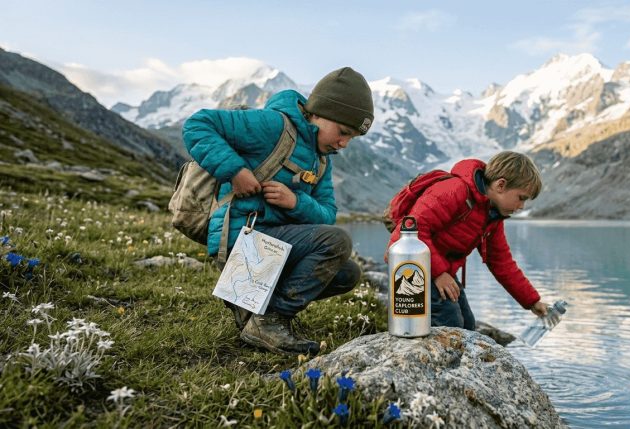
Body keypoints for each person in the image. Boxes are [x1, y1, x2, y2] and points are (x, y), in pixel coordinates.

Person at [182, 67, 375, 355]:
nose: (343, 143)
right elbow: (198, 124)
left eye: (351, 138)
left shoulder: (322, 160)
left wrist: (296, 202)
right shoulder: (273, 126)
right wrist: (235, 170)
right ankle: (268, 320)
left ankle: (253, 308)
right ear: (320, 113)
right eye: (343, 132)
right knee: (337, 242)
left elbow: (327, 214)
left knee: (347, 273)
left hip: (270, 247)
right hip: (241, 239)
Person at [385, 151, 549, 330]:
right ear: (501, 185)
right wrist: (439, 273)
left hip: (437, 268)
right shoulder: (453, 190)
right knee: (450, 323)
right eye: (521, 198)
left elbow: (502, 263)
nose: (522, 206)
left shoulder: (491, 216)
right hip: (413, 267)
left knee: (467, 325)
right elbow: (407, 233)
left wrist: (533, 301)